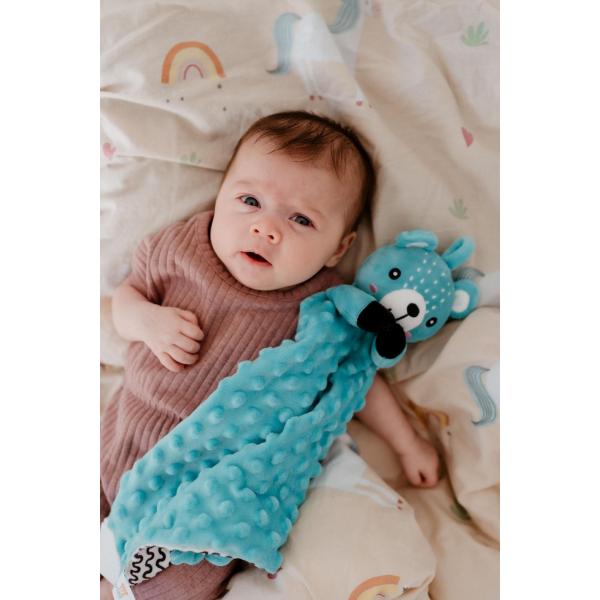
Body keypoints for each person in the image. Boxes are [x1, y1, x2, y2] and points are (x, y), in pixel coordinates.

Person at [100, 111, 439, 600]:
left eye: (301, 219)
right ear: (220, 197)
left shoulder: (324, 310)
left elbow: (356, 384)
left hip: (209, 488)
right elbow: (125, 299)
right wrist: (146, 322)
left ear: (337, 248)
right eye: (249, 201)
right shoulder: (181, 249)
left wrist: (407, 445)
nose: (266, 228)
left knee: (182, 575)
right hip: (124, 438)